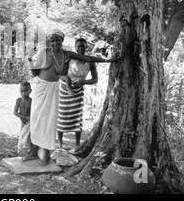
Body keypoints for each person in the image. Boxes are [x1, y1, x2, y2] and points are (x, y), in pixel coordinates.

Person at [24, 29, 117, 166]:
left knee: (49, 121)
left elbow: (87, 58)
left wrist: (107, 60)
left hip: (54, 88)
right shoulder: (44, 53)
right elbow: (34, 73)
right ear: (49, 42)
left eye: (58, 40)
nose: (55, 42)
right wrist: (30, 59)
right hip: (41, 88)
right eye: (52, 40)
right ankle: (33, 152)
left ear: (62, 41)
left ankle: (46, 154)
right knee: (36, 119)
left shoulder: (66, 54)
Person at [58, 38, 98, 150]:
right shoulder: (70, 59)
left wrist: (83, 81)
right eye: (78, 46)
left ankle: (77, 144)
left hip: (79, 91)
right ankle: (60, 145)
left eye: (83, 46)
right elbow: (61, 75)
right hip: (65, 90)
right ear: (75, 47)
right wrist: (69, 85)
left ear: (87, 47)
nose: (81, 48)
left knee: (77, 118)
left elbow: (95, 79)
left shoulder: (90, 61)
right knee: (62, 116)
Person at [14, 81, 32, 155]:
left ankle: (29, 150)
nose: (24, 93)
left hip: (29, 123)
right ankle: (22, 149)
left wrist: (29, 118)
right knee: (22, 136)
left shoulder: (31, 101)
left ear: (30, 91)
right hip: (23, 122)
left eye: (26, 91)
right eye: (22, 91)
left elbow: (32, 113)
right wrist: (24, 117)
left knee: (28, 137)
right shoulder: (19, 100)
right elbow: (15, 112)